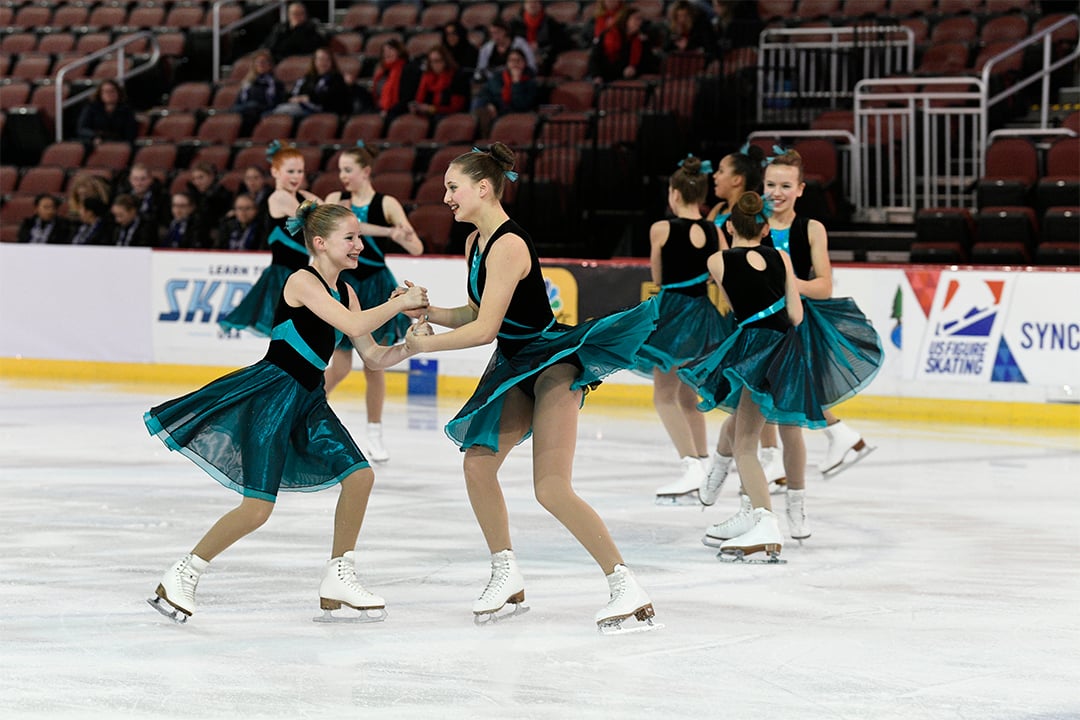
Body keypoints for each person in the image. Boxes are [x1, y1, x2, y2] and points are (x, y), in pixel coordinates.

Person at [401, 144, 661, 633]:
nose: (446, 197)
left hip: (552, 364)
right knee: (478, 464)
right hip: (516, 364)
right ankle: (506, 573)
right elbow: (476, 314)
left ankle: (626, 585)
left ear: (483, 188)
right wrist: (424, 312)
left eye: (453, 188)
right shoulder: (475, 242)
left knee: (551, 488)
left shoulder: (508, 244)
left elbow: (482, 332)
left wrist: (420, 349)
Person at [145, 200, 429, 624]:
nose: (359, 245)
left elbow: (371, 356)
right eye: (350, 238)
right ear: (320, 242)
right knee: (257, 509)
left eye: (359, 237)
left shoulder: (347, 292)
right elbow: (353, 328)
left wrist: (410, 343)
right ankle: (183, 572)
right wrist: (400, 303)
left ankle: (339, 574)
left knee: (360, 476)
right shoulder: (301, 281)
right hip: (272, 397)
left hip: (309, 400)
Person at [677, 191, 805, 562]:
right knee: (739, 426)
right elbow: (795, 315)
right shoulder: (781, 256)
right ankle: (747, 509)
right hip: (785, 352)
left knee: (746, 442)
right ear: (765, 227)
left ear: (729, 226)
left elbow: (737, 308)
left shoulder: (718, 261)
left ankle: (764, 519)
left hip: (752, 352)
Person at [760, 150, 879, 481]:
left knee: (765, 388)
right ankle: (839, 437)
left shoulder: (810, 229)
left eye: (785, 185)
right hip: (760, 320)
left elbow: (824, 286)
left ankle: (831, 438)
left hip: (794, 320)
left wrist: (786, 282)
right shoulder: (756, 226)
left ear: (800, 189)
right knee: (772, 390)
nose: (776, 192)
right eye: (770, 184)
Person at [635, 157, 728, 505]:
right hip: (702, 315)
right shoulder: (714, 231)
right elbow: (720, 273)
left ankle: (691, 464)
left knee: (664, 395)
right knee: (689, 396)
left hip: (671, 314)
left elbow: (658, 279)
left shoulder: (660, 229)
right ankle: (703, 464)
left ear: (674, 194)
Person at [323, 143, 423, 463]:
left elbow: (417, 248)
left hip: (376, 287)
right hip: (345, 286)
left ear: (365, 171)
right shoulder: (336, 202)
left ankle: (374, 433)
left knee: (373, 364)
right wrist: (387, 232)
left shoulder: (387, 203)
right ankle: (299, 414)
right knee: (337, 367)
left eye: (348, 170)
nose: (342, 176)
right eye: (340, 170)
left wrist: (405, 235)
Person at [704, 145, 788, 495]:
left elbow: (720, 274)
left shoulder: (722, 255)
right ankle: (721, 472)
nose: (715, 176)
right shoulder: (776, 253)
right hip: (764, 331)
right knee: (744, 411)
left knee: (748, 422)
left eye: (722, 170)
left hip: (750, 331)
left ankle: (759, 508)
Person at [219, 144, 320, 335]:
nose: (296, 176)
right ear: (275, 172)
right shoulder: (279, 197)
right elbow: (316, 217)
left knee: (298, 332)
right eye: (290, 171)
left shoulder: (302, 196)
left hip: (299, 272)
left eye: (300, 171)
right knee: (292, 331)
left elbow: (327, 211)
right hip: (282, 275)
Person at [473, 47, 539, 139]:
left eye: (518, 60)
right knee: (479, 108)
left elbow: (521, 105)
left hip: (519, 117)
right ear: (507, 63)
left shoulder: (530, 83)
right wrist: (489, 104)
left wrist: (516, 83)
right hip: (497, 114)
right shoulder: (497, 78)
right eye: (511, 60)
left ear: (524, 63)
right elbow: (484, 93)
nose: (515, 64)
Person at [270, 47, 351, 118]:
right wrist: (293, 98)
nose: (323, 63)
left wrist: (308, 98)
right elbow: (298, 93)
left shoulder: (337, 79)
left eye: (327, 59)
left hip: (324, 111)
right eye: (320, 59)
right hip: (304, 107)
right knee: (275, 111)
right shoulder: (309, 78)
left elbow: (331, 98)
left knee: (282, 112)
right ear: (314, 61)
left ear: (332, 62)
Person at [232, 50, 285, 136]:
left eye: (263, 62)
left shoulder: (276, 83)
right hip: (246, 109)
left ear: (270, 65)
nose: (260, 64)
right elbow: (238, 102)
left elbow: (276, 103)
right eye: (258, 62)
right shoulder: (247, 83)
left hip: (264, 110)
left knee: (252, 107)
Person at [472, 17, 537, 88]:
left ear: (506, 31)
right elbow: (480, 69)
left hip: (518, 78)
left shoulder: (520, 43)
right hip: (494, 80)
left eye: (498, 32)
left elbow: (531, 65)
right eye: (492, 33)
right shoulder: (486, 48)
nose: (495, 36)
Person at [587, 0, 642, 82]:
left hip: (625, 80)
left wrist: (634, 69)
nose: (640, 23)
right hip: (602, 77)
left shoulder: (640, 41)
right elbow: (594, 58)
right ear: (626, 20)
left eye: (640, 20)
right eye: (636, 19)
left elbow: (645, 64)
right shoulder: (607, 35)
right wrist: (596, 76)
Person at [411, 44, 470, 120]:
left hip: (450, 115)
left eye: (437, 61)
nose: (434, 65)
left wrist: (431, 109)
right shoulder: (427, 77)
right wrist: (416, 107)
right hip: (431, 114)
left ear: (445, 61)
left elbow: (456, 108)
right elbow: (419, 100)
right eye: (431, 61)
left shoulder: (457, 77)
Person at [512, 0, 571, 76]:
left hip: (544, 58)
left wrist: (540, 45)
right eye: (529, 2)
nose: (532, 5)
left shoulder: (550, 23)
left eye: (535, 2)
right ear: (524, 5)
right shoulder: (515, 23)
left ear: (541, 5)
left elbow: (562, 42)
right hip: (520, 56)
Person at [75, 79, 137, 149]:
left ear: (118, 93)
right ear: (100, 94)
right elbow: (82, 129)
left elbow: (130, 133)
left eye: (112, 91)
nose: (109, 94)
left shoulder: (126, 110)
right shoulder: (91, 108)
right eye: (105, 92)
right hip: (94, 141)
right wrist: (94, 137)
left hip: (118, 143)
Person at [262, 2, 327, 62]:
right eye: (294, 13)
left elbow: (302, 48)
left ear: (306, 15)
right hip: (273, 60)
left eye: (301, 13)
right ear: (289, 15)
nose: (297, 16)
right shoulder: (279, 28)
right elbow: (268, 44)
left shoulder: (311, 30)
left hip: (294, 63)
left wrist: (297, 29)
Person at [187, 162, 234, 241]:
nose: (197, 182)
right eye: (194, 179)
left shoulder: (223, 195)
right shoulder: (195, 195)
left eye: (201, 177)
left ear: (211, 177)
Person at [371, 39, 412, 121]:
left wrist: (389, 111)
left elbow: (407, 98)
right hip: (380, 110)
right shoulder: (382, 72)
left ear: (400, 51)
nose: (386, 53)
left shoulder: (408, 69)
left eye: (390, 49)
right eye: (384, 51)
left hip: (398, 112)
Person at [121, 163, 170, 231]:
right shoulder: (122, 196)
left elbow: (164, 223)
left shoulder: (162, 197)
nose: (139, 183)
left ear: (151, 180)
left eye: (143, 179)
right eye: (135, 179)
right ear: (130, 180)